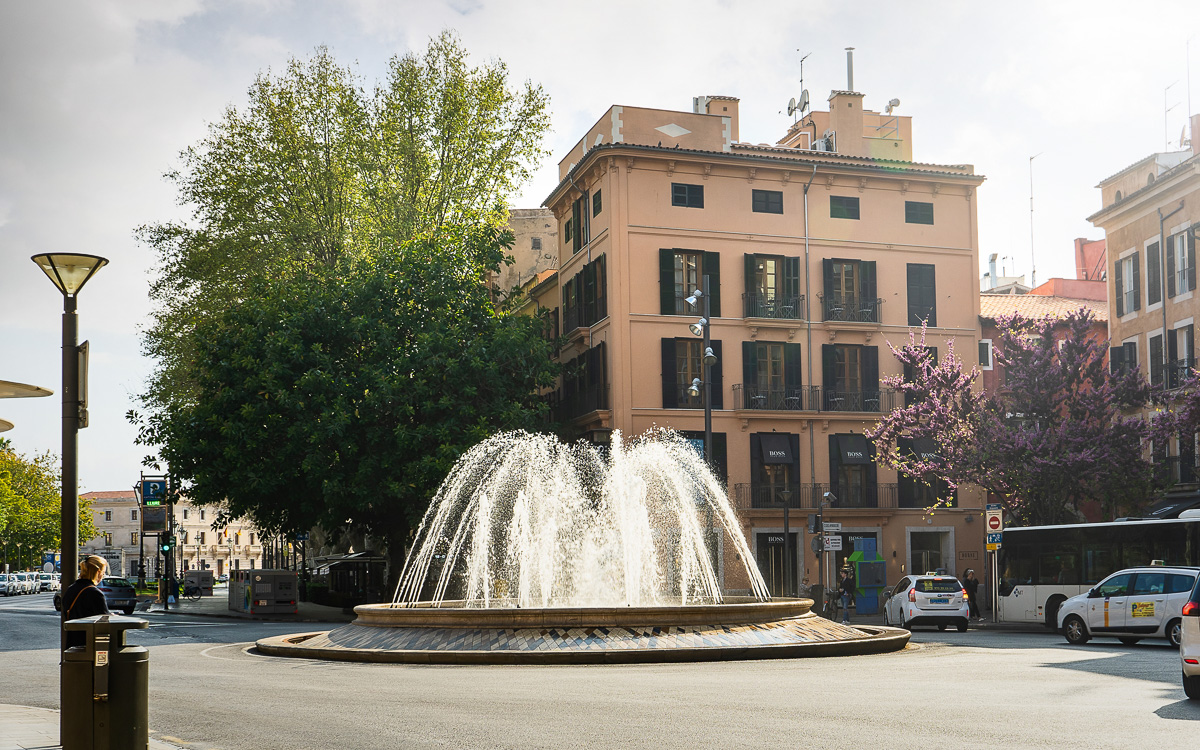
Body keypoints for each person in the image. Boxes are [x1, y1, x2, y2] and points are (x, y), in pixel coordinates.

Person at [61, 555, 111, 648]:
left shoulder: (71, 589)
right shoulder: (94, 593)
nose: (102, 576)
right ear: (98, 572)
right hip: (90, 645)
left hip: (72, 644)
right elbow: (105, 621)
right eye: (103, 573)